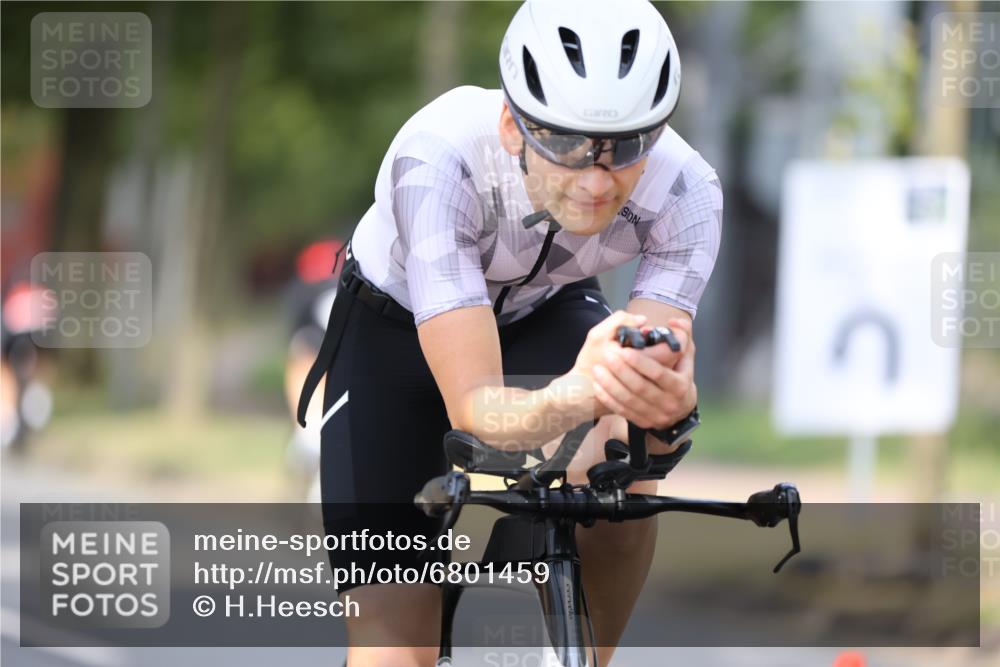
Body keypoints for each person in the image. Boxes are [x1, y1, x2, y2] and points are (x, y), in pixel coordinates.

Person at [297, 0, 723, 664]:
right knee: (394, 635)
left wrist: (661, 414)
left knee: (623, 479)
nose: (594, 179)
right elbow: (477, 411)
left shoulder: (686, 192)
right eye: (564, 142)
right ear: (511, 124)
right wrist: (576, 396)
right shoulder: (437, 161)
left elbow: (648, 398)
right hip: (393, 333)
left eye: (628, 147)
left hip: (546, 307)